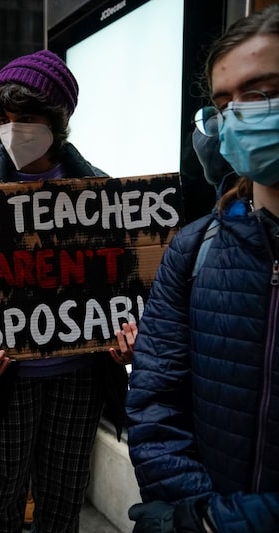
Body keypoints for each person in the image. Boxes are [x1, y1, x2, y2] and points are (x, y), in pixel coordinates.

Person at [0, 49, 128, 532]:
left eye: (25, 119)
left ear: (58, 120)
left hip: (80, 374)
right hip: (6, 376)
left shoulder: (102, 193)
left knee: (63, 495)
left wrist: (125, 333)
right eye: (3, 119)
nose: (12, 131)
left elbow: (122, 282)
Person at [127, 6, 279, 532]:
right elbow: (155, 404)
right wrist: (193, 516)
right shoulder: (193, 251)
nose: (239, 114)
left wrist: (216, 525)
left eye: (262, 92)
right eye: (224, 103)